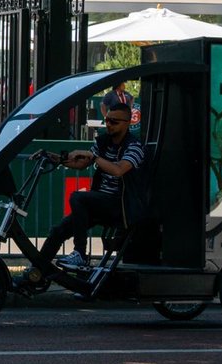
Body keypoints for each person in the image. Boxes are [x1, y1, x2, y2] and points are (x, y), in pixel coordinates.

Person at [16, 102, 145, 287]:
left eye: (114, 121)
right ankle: (36, 275)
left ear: (127, 123)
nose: (108, 124)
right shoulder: (103, 142)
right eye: (107, 120)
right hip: (101, 202)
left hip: (121, 205)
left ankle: (80, 254)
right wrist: (56, 158)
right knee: (57, 231)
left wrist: (94, 158)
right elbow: (80, 163)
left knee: (78, 197)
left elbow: (118, 170)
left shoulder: (134, 147)